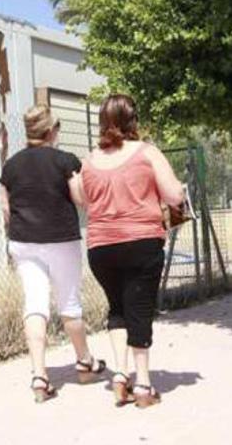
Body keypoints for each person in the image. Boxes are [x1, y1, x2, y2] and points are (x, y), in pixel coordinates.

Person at [76, 94, 184, 408]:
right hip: (141, 243)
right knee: (139, 311)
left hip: (101, 248)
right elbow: (174, 194)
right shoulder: (147, 153)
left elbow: (85, 200)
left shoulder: (88, 161)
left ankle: (120, 376)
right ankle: (144, 386)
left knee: (118, 309)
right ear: (132, 119)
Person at [0, 105, 106, 403]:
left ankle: (39, 375)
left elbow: (6, 210)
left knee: (34, 304)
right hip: (60, 239)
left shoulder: (11, 166)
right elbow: (80, 199)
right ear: (51, 131)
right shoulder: (65, 161)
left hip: (23, 241)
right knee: (69, 302)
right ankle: (85, 363)